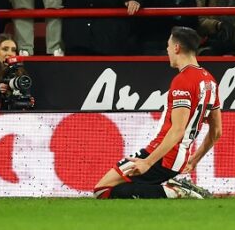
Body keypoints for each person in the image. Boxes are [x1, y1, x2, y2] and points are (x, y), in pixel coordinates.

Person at [93, 26, 222, 199]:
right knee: (125, 188)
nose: (167, 50)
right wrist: (194, 160)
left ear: (176, 48)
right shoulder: (210, 81)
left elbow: (178, 130)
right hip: (179, 157)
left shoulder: (183, 80)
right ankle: (174, 187)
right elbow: (216, 131)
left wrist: (148, 162)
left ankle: (176, 190)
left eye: (168, 46)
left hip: (164, 155)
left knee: (102, 190)